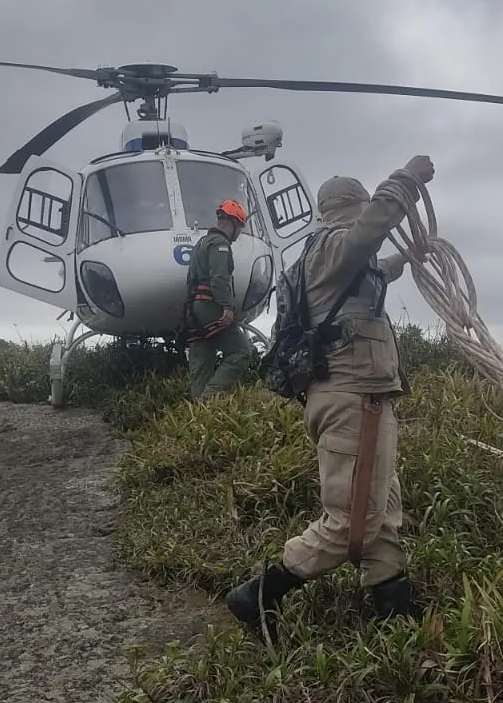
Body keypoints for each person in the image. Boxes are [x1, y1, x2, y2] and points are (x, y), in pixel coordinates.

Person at [224, 155, 434, 645]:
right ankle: (258, 593)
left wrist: (411, 257)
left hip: (363, 398)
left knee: (380, 508)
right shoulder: (334, 247)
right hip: (352, 399)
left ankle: (392, 610)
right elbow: (367, 236)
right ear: (353, 211)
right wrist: (406, 179)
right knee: (349, 523)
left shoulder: (335, 260)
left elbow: (379, 265)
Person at [183, 199, 254, 400]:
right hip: (211, 306)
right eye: (239, 227)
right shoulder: (220, 244)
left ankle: (199, 414)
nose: (239, 232)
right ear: (233, 223)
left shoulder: (201, 243)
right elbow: (219, 278)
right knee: (240, 353)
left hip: (195, 308)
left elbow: (191, 280)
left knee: (201, 362)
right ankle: (209, 399)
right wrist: (227, 307)